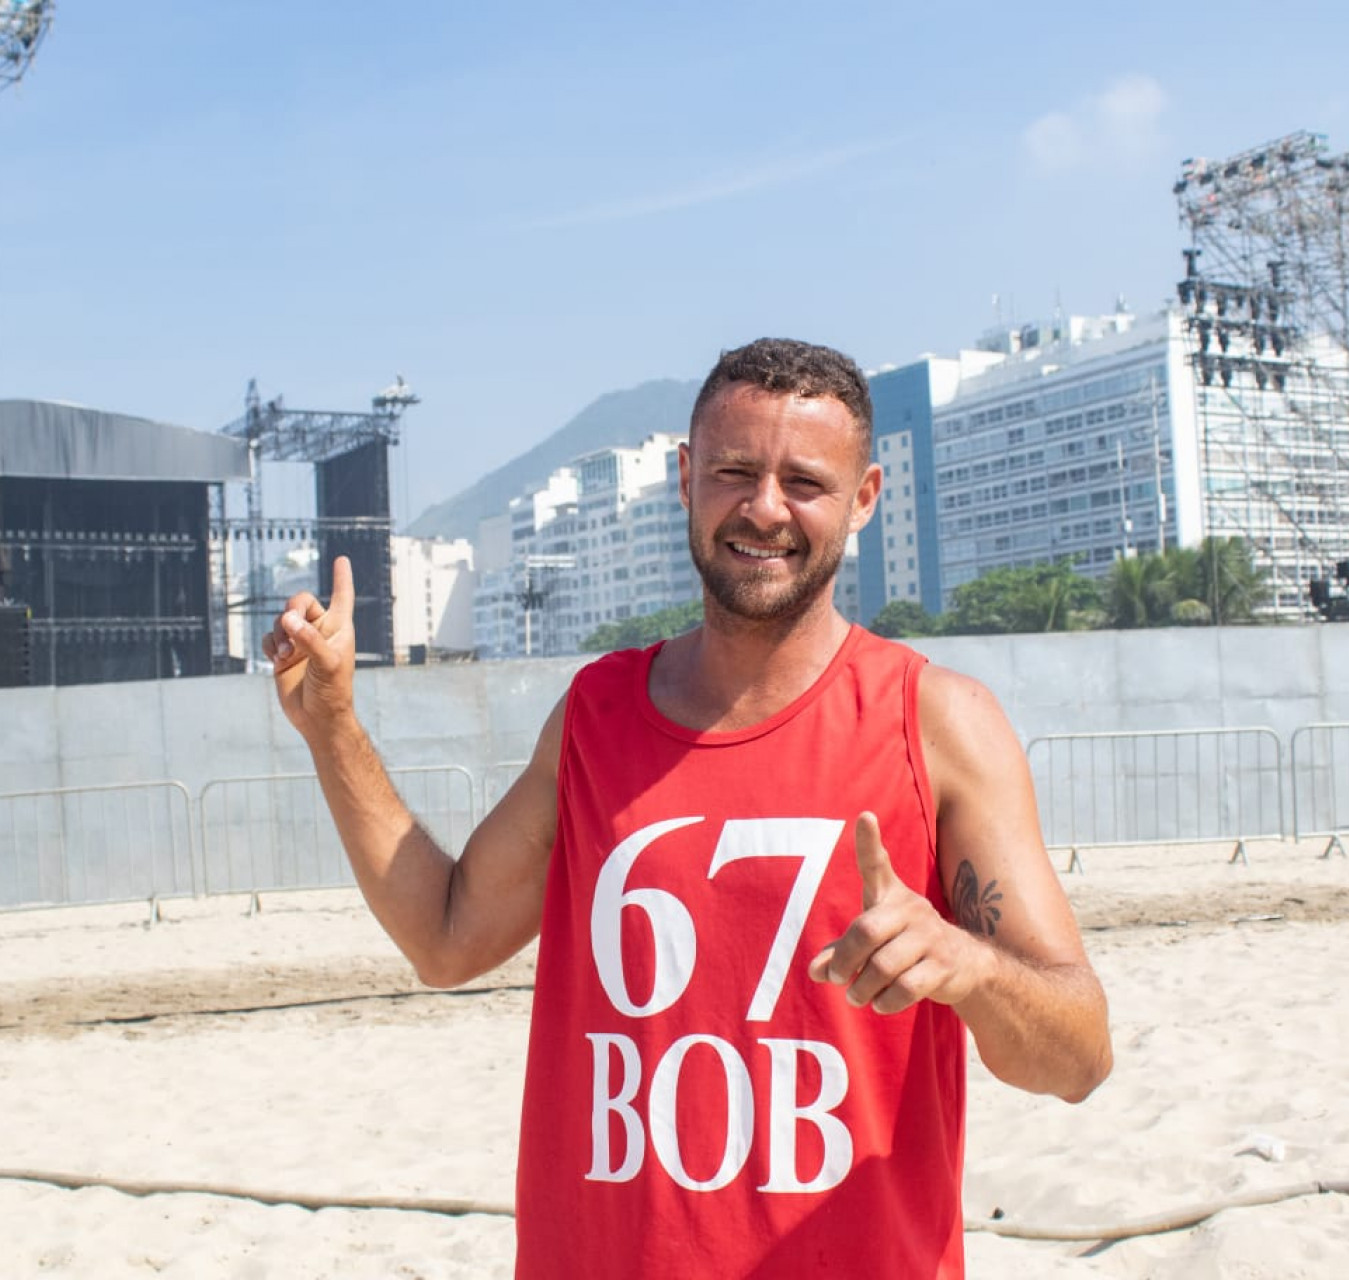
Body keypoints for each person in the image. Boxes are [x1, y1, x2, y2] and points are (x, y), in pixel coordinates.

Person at [264, 337, 1111, 1277]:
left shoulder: (939, 723)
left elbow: (1078, 1058)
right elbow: (445, 938)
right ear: (684, 479)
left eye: (805, 482)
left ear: (866, 498)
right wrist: (332, 727)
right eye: (734, 471)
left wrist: (970, 967)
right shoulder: (596, 715)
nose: (765, 508)